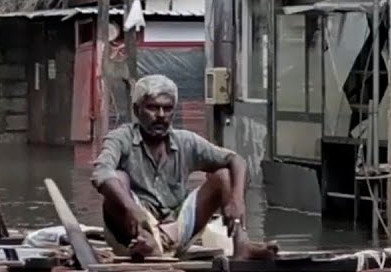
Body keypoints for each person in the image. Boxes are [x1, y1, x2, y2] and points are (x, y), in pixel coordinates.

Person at [91, 74, 278, 260]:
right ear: (137, 110)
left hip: (176, 230)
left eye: (167, 109)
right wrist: (131, 207)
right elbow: (101, 172)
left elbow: (236, 160)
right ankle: (149, 246)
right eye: (153, 108)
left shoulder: (186, 141)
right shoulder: (121, 138)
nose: (161, 115)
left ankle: (242, 245)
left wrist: (237, 200)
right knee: (117, 178)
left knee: (224, 175)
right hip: (134, 234)